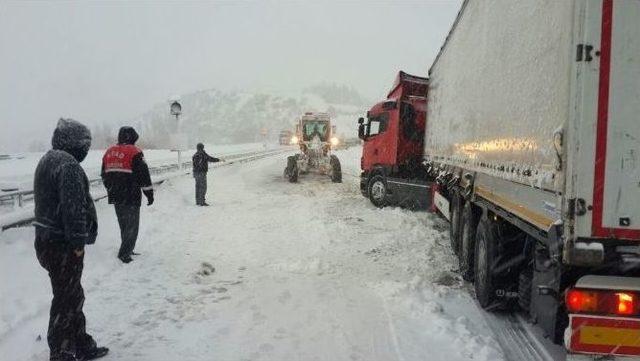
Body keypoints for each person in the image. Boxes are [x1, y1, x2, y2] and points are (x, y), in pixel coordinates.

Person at [33, 118, 109, 361]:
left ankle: (80, 343)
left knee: (72, 294)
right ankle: (62, 350)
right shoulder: (69, 166)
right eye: (85, 144)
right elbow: (73, 208)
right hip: (63, 244)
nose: (86, 149)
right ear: (75, 143)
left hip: (46, 239)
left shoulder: (47, 160)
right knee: (67, 297)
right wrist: (77, 243)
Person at [101, 126, 153, 263]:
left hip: (116, 195)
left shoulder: (109, 152)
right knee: (132, 225)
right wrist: (149, 193)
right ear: (133, 137)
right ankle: (125, 253)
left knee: (124, 224)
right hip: (131, 195)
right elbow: (144, 175)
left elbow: (104, 174)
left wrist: (110, 188)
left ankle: (128, 248)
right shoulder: (135, 152)